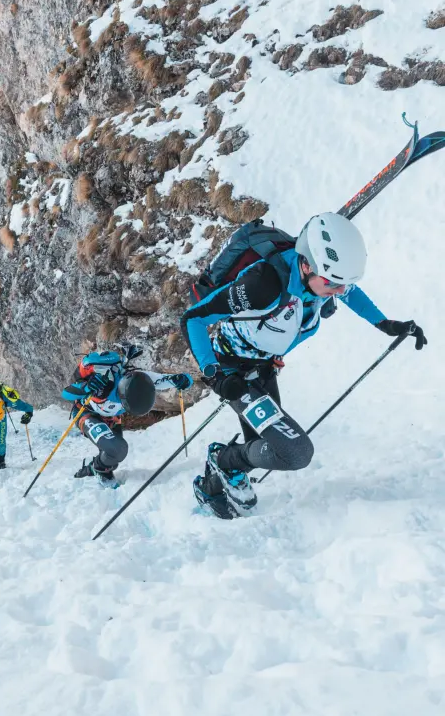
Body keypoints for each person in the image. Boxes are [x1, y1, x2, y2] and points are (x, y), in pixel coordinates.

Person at [181, 212, 426, 519]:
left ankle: (219, 477)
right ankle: (224, 460)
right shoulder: (263, 285)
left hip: (263, 365)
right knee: (292, 452)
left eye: (343, 284)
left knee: (262, 448)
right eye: (333, 283)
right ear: (307, 264)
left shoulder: (322, 278)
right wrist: (215, 375)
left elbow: (350, 292)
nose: (340, 291)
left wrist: (386, 324)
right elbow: (194, 318)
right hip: (234, 372)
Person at [62, 347, 193, 486]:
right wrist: (87, 387)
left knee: (113, 459)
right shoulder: (106, 380)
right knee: (117, 450)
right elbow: (66, 394)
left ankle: (93, 468)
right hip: (86, 413)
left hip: (111, 418)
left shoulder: (138, 379)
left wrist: (183, 380)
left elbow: (162, 380)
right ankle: (97, 469)